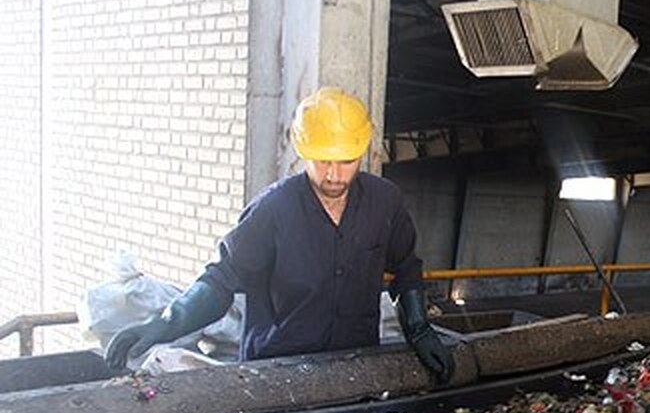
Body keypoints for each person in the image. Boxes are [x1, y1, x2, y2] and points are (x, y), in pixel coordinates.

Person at [105, 87, 454, 382]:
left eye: (346, 161)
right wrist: (164, 324)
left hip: (353, 368)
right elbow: (221, 281)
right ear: (303, 153)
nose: (334, 174)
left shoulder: (384, 202)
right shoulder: (272, 210)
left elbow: (406, 268)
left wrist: (419, 327)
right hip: (276, 373)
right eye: (322, 161)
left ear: (364, 151)